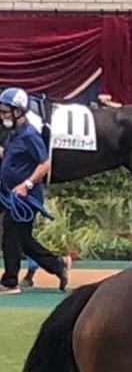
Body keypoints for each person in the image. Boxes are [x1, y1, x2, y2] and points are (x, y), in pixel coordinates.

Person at [0, 88, 69, 296]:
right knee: (23, 240)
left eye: (4, 112)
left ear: (18, 111)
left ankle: (10, 281)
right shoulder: (14, 133)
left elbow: (44, 163)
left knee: (12, 236)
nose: (1, 115)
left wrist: (26, 185)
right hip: (7, 193)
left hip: (23, 199)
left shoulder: (30, 135)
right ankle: (58, 266)